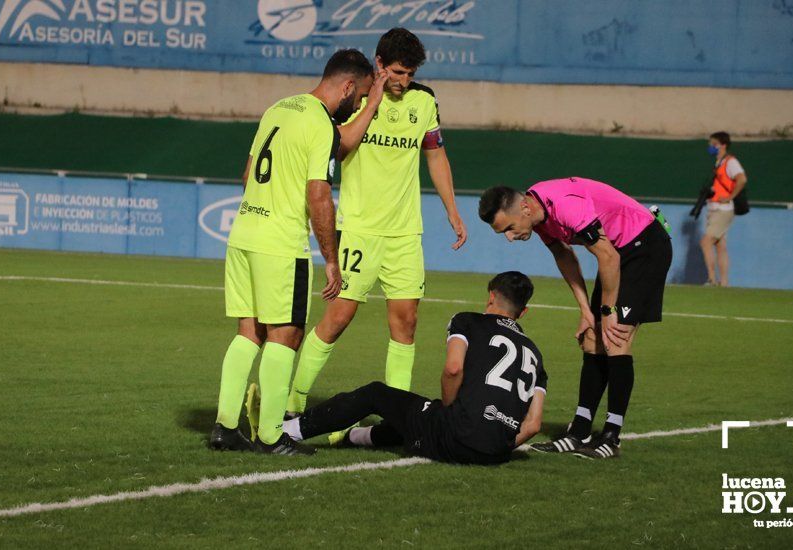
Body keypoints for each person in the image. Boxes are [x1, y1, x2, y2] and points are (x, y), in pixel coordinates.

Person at [285, 28, 467, 422]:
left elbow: (435, 155)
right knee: (337, 318)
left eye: (410, 73)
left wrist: (451, 210)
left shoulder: (425, 100)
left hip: (404, 234)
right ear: (380, 64)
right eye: (398, 71)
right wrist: (372, 104)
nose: (404, 80)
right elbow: (338, 146)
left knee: (407, 323)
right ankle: (294, 403)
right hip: (358, 230)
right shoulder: (355, 99)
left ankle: (397, 418)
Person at [208, 49, 379, 455]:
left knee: (249, 333)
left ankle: (224, 426)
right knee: (287, 335)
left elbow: (249, 172)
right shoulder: (320, 123)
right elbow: (319, 196)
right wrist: (332, 260)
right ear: (348, 86)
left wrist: (372, 104)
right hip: (279, 244)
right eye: (360, 97)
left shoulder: (279, 108)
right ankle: (270, 435)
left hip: (243, 234)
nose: (356, 105)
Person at [478, 178, 672, 459]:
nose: (510, 237)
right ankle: (580, 430)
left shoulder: (565, 206)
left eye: (509, 228)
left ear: (524, 208)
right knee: (592, 339)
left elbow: (608, 257)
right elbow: (564, 255)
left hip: (644, 247)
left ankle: (611, 435)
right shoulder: (539, 214)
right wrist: (586, 310)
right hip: (617, 252)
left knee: (615, 337)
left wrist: (607, 312)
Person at [279, 271, 547, 465]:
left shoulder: (468, 321)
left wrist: (450, 412)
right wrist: (498, 448)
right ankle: (354, 437)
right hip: (496, 453)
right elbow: (533, 424)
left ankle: (288, 431)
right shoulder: (535, 354)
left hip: (456, 437)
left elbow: (453, 369)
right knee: (413, 415)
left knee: (377, 394)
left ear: (491, 296)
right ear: (523, 312)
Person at [700, 131, 747, 287]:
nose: (710, 147)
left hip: (723, 208)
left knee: (706, 242)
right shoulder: (719, 163)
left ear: (723, 145)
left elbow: (742, 179)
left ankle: (712, 279)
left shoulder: (730, 162)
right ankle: (724, 282)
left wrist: (729, 197)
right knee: (720, 245)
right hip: (715, 208)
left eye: (713, 144)